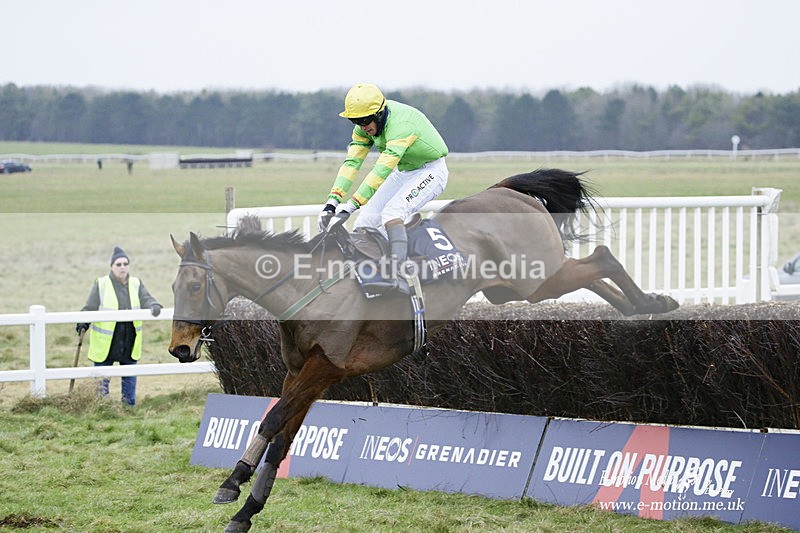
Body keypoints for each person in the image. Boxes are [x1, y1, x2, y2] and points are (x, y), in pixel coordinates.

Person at [318, 83, 449, 294]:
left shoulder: (402, 125)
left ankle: (400, 275)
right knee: (365, 221)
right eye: (355, 121)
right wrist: (332, 202)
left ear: (379, 114)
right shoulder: (363, 127)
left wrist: (351, 206)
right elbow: (352, 163)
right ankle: (372, 275)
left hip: (431, 171)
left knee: (392, 213)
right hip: (404, 170)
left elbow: (381, 170)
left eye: (364, 121)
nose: (361, 127)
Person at [76, 246, 162, 406]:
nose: (122, 267)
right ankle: (101, 409)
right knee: (101, 385)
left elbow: (146, 299)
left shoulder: (136, 283)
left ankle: (129, 409)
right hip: (106, 344)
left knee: (129, 382)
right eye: (118, 264)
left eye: (125, 264)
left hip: (129, 341)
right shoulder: (102, 284)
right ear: (112, 267)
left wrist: (154, 305)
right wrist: (83, 322)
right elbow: (90, 307)